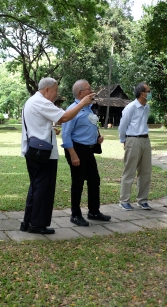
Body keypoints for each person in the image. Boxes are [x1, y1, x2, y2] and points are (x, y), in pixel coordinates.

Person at [21, 77, 94, 234]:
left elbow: (36, 124)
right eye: (55, 90)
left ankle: (28, 222)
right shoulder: (41, 102)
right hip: (42, 154)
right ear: (47, 89)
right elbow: (64, 117)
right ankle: (37, 224)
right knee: (43, 189)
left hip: (34, 149)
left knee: (36, 187)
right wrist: (82, 103)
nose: (56, 94)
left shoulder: (31, 101)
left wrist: (49, 130)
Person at [61, 80, 111, 227]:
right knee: (78, 183)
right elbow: (66, 134)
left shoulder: (89, 108)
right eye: (89, 89)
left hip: (89, 150)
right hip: (77, 149)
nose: (92, 91)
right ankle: (75, 215)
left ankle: (94, 212)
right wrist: (73, 154)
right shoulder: (73, 110)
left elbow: (87, 127)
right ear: (80, 93)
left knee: (94, 180)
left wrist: (97, 138)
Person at [118, 82, 152, 211]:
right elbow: (122, 126)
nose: (150, 93)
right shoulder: (130, 107)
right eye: (148, 91)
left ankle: (142, 200)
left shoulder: (146, 107)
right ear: (142, 93)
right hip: (133, 139)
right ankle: (124, 200)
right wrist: (124, 140)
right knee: (129, 171)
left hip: (145, 140)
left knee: (145, 171)